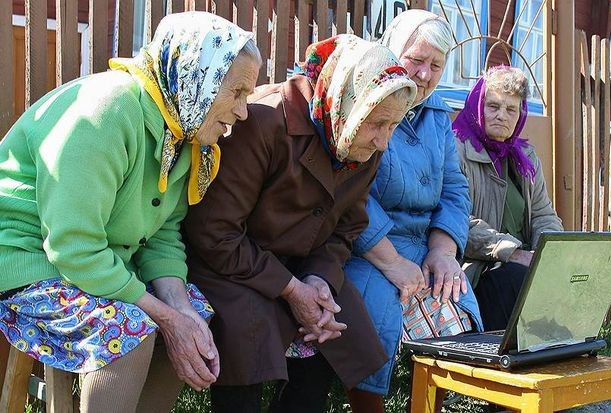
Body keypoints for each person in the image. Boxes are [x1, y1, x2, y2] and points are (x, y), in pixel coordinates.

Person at [0, 12, 261, 412]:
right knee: (131, 328)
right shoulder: (107, 113)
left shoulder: (183, 128)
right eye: (237, 92)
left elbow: (162, 234)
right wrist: (164, 316)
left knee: (195, 317)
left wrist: (181, 312)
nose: (243, 112)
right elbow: (73, 246)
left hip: (92, 263)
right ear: (199, 76)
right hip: (27, 261)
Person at [182, 34, 417, 413]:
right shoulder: (264, 120)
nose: (384, 141)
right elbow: (214, 232)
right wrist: (291, 289)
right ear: (348, 100)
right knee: (247, 328)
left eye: (393, 126)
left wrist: (319, 280)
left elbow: (346, 229)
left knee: (333, 319)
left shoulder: (360, 141)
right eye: (378, 123)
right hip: (229, 264)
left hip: (301, 267)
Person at [342, 10, 483, 411]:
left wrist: (443, 251)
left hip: (423, 245)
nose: (424, 74)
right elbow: (351, 189)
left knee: (453, 305)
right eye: (416, 60)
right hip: (367, 245)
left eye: (436, 65)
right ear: (392, 51)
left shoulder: (437, 112)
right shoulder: (368, 98)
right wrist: (390, 261)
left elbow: (454, 189)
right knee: (376, 319)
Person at [452, 66, 563, 331]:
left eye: (511, 109)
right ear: (478, 105)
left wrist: (548, 254)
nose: (501, 115)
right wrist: (512, 252)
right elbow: (457, 221)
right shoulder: (456, 149)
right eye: (493, 106)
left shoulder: (525, 157)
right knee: (518, 279)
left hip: (521, 264)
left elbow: (543, 214)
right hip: (476, 270)